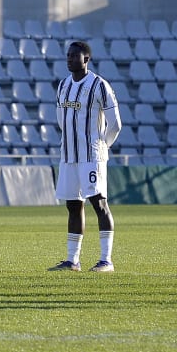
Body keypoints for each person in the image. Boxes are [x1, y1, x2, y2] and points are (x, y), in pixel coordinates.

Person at [48, 40, 122, 273]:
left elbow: (116, 124)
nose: (69, 59)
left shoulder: (100, 85)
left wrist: (102, 146)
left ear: (86, 59)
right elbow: (61, 119)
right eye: (68, 55)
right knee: (73, 204)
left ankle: (106, 260)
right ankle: (72, 260)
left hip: (91, 156)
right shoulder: (63, 86)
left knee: (99, 203)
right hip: (69, 155)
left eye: (74, 56)